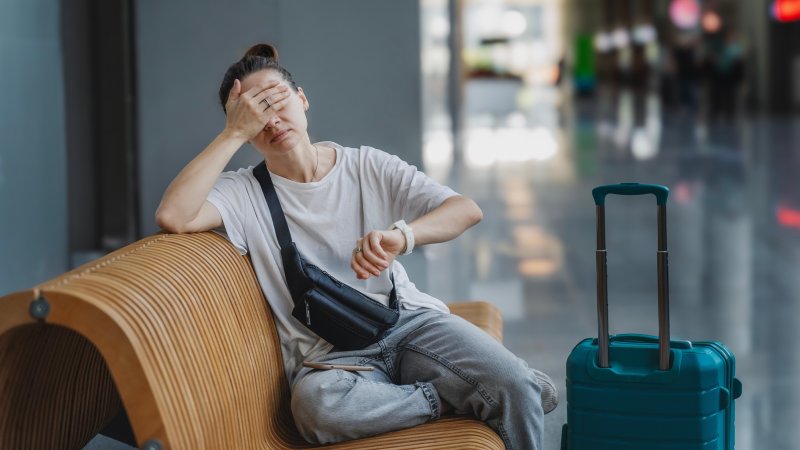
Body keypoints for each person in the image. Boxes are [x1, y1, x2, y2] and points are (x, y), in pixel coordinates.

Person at [155, 43, 557, 450]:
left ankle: (489, 388)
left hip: (408, 324)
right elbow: (174, 215)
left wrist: (401, 237)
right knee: (316, 409)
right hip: (332, 361)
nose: (271, 119)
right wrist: (231, 132)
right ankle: (448, 397)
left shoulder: (366, 165)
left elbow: (464, 209)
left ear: (302, 98)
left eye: (276, 99)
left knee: (517, 386)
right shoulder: (242, 193)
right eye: (254, 114)